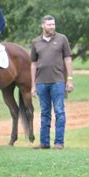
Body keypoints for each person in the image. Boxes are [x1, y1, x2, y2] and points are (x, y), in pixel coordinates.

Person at [31, 15, 74, 150]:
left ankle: (59, 143)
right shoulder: (35, 42)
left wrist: (70, 79)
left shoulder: (62, 39)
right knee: (44, 113)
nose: (52, 26)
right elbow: (33, 64)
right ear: (42, 25)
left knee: (59, 112)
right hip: (41, 83)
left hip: (58, 82)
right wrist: (33, 85)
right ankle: (44, 143)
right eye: (49, 24)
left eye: (53, 24)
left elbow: (67, 59)